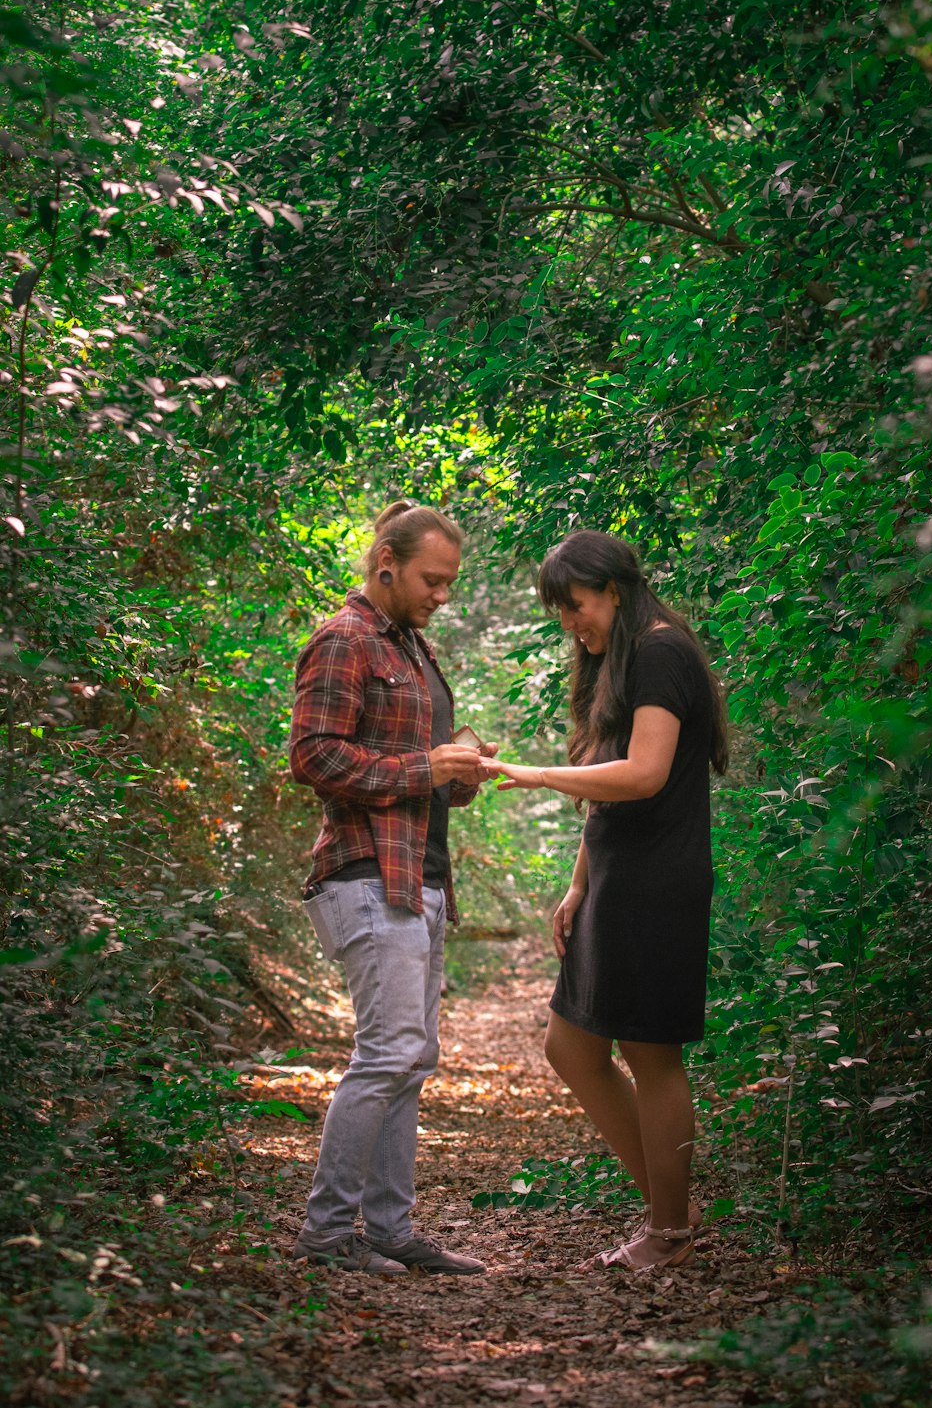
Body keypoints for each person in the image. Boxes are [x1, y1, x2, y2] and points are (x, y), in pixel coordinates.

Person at [487, 529, 728, 1273]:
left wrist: (537, 774)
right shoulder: (621, 659)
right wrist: (579, 877)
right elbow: (611, 790)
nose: (572, 623)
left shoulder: (660, 652)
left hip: (660, 881)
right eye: (561, 612)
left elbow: (646, 773)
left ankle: (669, 1231)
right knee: (573, 1046)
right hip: (619, 876)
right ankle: (672, 1204)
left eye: (577, 605)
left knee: (651, 1054)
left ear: (614, 589)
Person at [289, 499, 495, 1276]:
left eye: (449, 583)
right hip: (365, 874)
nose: (442, 594)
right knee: (386, 1055)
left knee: (410, 1058)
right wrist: (425, 767)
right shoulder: (344, 640)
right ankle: (325, 1235)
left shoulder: (412, 647)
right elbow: (313, 756)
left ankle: (390, 1229)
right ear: (386, 563)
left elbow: (420, 769)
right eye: (431, 580)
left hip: (420, 879)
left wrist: (459, 767)